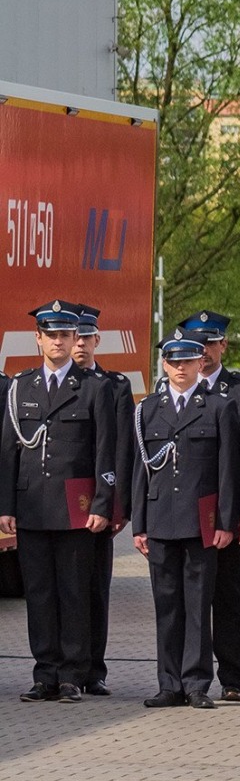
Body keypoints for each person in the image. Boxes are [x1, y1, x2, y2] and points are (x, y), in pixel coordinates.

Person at [0, 301, 119, 702]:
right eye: (51, 335)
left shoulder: (93, 387)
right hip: (32, 506)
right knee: (39, 594)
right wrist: (6, 507)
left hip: (75, 510)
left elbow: (106, 452)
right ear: (38, 339)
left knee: (73, 593)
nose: (58, 342)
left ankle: (71, 674)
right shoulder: (21, 387)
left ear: (74, 340)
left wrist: (103, 504)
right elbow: (8, 453)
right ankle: (44, 673)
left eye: (65, 335)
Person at [131, 337, 240, 708]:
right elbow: (140, 471)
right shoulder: (148, 409)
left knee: (198, 605)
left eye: (188, 360)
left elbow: (228, 470)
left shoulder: (218, 407)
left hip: (201, 521)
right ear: (164, 365)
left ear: (201, 363)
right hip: (161, 518)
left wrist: (226, 521)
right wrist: (139, 524)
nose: (181, 368)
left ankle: (196, 683)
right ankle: (168, 683)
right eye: (173, 361)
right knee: (167, 606)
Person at [178, 311, 240, 701]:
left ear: (223, 345)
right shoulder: (173, 389)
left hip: (226, 510)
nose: (204, 351)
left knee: (227, 595)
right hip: (186, 508)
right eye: (196, 345)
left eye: (210, 343)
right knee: (189, 596)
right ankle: (186, 675)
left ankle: (232, 676)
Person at [71, 304, 135, 696]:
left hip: (98, 501)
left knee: (95, 587)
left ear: (97, 340)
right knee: (66, 588)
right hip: (57, 504)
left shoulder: (114, 385)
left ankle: (94, 668)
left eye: (85, 336)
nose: (79, 343)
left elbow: (121, 448)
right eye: (72, 336)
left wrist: (117, 505)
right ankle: (65, 665)